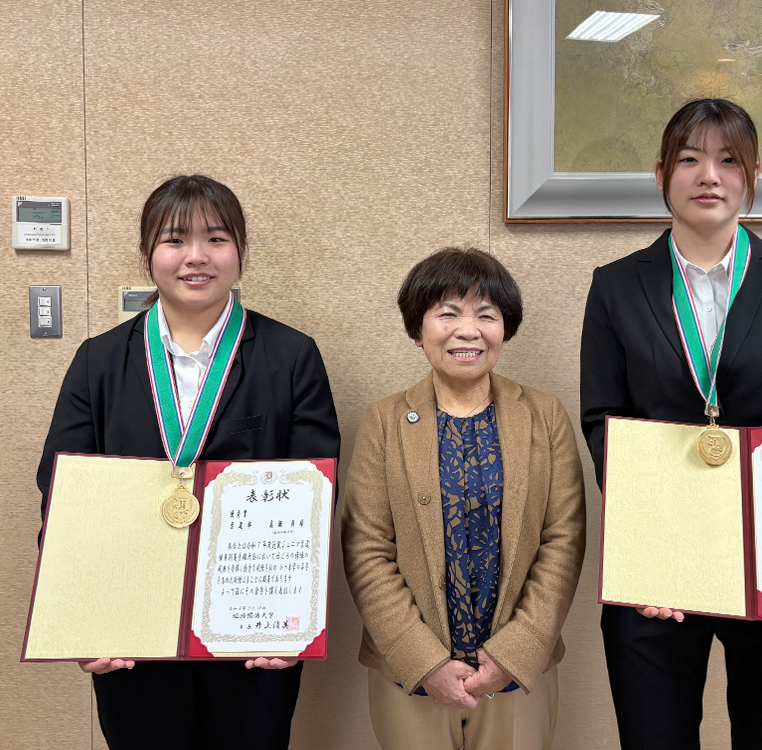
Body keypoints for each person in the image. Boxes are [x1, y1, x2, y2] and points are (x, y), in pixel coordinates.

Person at [579, 99, 762, 750]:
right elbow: (603, 423)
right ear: (661, 174)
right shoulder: (616, 287)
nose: (709, 174)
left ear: (752, 176)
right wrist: (646, 547)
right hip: (660, 565)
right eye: (690, 158)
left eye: (728, 160)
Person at [36, 174, 340, 750]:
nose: (196, 256)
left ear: (240, 251)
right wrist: (80, 617)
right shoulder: (99, 361)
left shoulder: (291, 356)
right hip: (129, 626)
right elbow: (62, 492)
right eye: (174, 239)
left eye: (216, 239)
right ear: (147, 253)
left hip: (253, 626)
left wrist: (295, 620)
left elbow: (316, 498)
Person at [341, 247, 586, 750]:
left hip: (517, 671)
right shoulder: (384, 421)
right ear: (418, 330)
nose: (468, 330)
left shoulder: (544, 415)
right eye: (447, 314)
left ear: (505, 328)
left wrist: (517, 650)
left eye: (486, 315)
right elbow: (365, 547)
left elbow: (564, 538)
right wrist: (423, 660)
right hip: (409, 672)